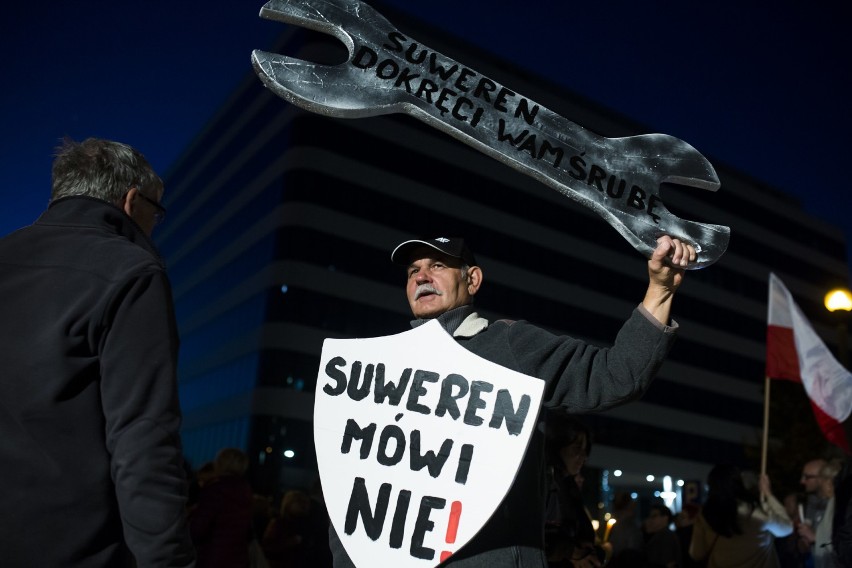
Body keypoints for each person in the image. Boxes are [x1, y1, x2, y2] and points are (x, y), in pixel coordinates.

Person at [328, 234, 695, 567]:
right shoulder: (381, 370)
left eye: (438, 265)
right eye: (413, 271)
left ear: (472, 279)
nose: (421, 277)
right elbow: (351, 490)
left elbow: (614, 376)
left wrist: (660, 291)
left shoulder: (510, 345)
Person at [0, 138, 194, 566]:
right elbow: (142, 439)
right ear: (131, 201)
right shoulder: (130, 271)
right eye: (155, 212)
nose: (153, 226)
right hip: (71, 549)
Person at [689, 464, 793, 568]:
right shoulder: (756, 515)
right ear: (738, 484)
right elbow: (787, 528)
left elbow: (696, 554)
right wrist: (767, 493)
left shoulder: (705, 517)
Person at [543, 412, 602, 567]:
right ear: (557, 446)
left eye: (585, 450)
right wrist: (571, 552)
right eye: (577, 448)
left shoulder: (568, 484)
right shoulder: (547, 482)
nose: (583, 456)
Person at [189, 447, 254, 567]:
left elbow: (199, 528)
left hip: (213, 557)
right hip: (238, 558)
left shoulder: (215, 489)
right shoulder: (245, 491)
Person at [798, 459, 843, 568]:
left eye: (807, 477)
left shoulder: (840, 506)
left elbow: (842, 545)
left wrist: (816, 537)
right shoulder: (812, 502)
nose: (802, 481)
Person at [642, 503, 681, 568]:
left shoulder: (667, 536)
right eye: (650, 516)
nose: (651, 519)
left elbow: (667, 563)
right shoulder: (661, 534)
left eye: (654, 516)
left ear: (665, 518)